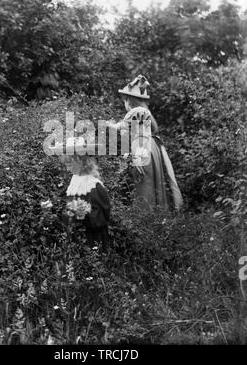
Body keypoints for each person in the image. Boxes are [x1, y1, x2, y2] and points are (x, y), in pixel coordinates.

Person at [108, 74, 183, 212]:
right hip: (151, 148)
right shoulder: (144, 112)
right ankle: (158, 212)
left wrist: (109, 125)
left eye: (125, 100)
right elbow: (152, 128)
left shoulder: (136, 111)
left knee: (144, 182)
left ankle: (145, 214)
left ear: (129, 100)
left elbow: (123, 127)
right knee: (155, 180)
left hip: (142, 148)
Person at [55, 137, 110, 251]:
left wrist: (87, 212)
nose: (67, 167)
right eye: (66, 164)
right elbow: (68, 206)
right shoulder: (74, 181)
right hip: (76, 235)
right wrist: (69, 211)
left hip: (92, 237)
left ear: (81, 162)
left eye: (70, 163)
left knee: (92, 258)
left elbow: (104, 213)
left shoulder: (94, 185)